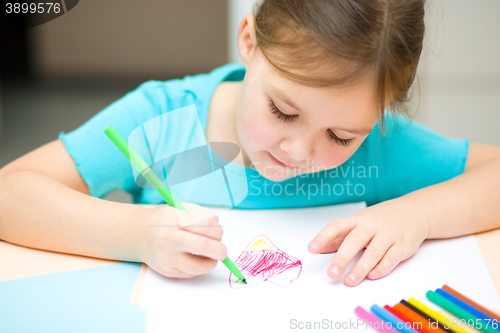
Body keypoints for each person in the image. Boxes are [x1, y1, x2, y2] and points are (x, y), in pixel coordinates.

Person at [0, 0, 499, 287]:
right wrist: (132, 232)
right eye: (282, 110)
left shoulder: (382, 148)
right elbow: (11, 192)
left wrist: (416, 215)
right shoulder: (162, 121)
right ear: (248, 40)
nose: (301, 152)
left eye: (342, 136)